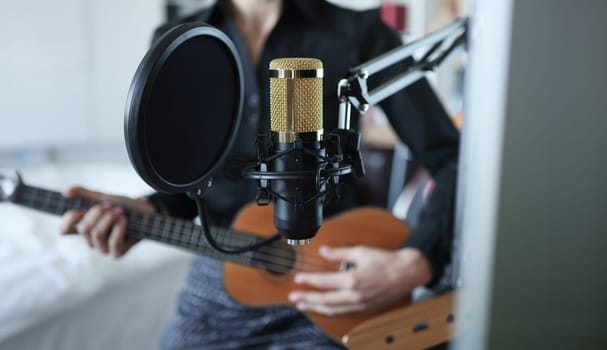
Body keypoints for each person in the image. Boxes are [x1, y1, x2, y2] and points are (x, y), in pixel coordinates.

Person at [60, 0, 460, 348]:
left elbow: (449, 157)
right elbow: (189, 187)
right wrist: (145, 208)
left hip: (334, 284)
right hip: (219, 278)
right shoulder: (180, 43)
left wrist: (416, 261)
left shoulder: (359, 35)